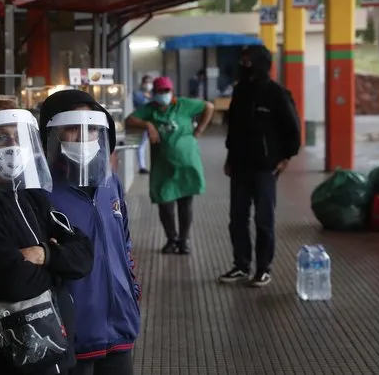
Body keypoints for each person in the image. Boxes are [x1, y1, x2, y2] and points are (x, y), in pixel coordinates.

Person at [0, 100, 94, 375]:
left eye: (19, 136)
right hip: (2, 362)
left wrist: (44, 255)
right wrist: (61, 272)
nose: (13, 145)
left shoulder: (31, 196)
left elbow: (84, 255)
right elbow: (15, 282)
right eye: (1, 137)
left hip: (55, 352)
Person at [39, 89, 141, 375]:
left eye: (93, 128)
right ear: (53, 133)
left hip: (119, 326)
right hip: (72, 332)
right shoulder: (41, 191)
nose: (84, 137)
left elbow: (124, 241)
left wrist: (131, 290)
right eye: (73, 128)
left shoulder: (111, 183)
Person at [218, 45, 301, 287]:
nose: (244, 65)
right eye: (242, 60)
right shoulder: (240, 92)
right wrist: (230, 158)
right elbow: (233, 129)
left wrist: (286, 157)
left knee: (264, 220)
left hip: (266, 168)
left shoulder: (277, 93)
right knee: (237, 218)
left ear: (261, 63)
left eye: (249, 61)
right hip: (240, 167)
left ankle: (263, 269)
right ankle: (241, 266)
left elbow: (293, 129)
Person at [126, 77, 214, 255]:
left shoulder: (183, 104)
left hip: (186, 163)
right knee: (164, 203)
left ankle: (184, 240)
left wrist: (199, 130)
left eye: (167, 91)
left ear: (172, 92)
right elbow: (129, 120)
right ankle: (171, 239)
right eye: (160, 92)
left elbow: (209, 107)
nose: (164, 95)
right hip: (162, 166)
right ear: (153, 94)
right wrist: (148, 124)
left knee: (185, 202)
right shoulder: (149, 110)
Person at [132, 75, 152, 174]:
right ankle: (142, 167)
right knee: (141, 145)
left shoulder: (153, 95)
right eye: (146, 82)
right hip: (142, 123)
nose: (148, 84)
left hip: (154, 122)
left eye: (149, 82)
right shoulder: (137, 94)